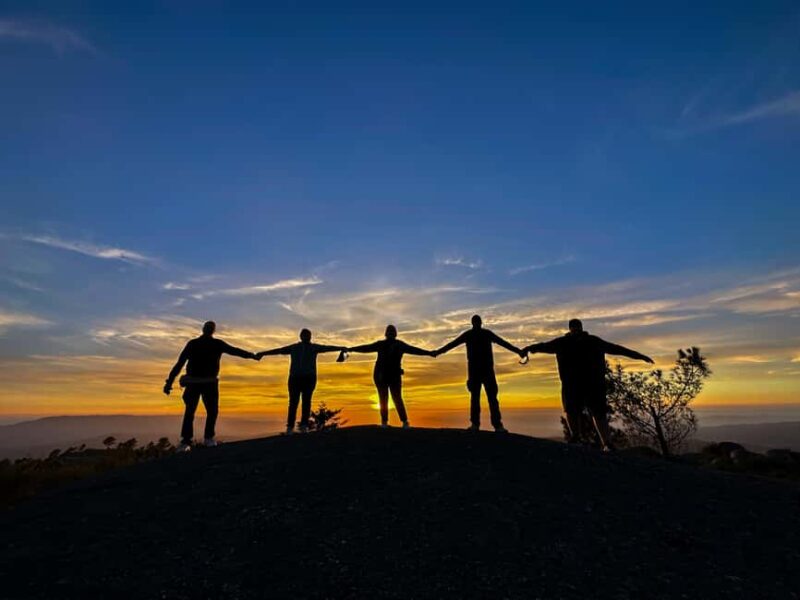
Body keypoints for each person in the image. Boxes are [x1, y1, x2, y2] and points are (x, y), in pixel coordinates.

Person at [523, 318, 654, 451]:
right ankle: (578, 438)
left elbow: (616, 349)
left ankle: (605, 443)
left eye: (577, 327)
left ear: (580, 328)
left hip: (591, 384)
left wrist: (639, 356)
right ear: (571, 328)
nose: (576, 329)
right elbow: (543, 346)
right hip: (575, 384)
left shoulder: (589, 341)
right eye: (574, 327)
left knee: (596, 412)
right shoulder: (564, 342)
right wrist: (529, 349)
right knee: (573, 411)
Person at [164, 321, 259, 451]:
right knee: (207, 411)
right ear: (211, 331)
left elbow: (179, 364)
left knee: (197, 411)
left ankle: (190, 440)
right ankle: (202, 439)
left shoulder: (195, 344)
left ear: (204, 329)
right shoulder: (214, 344)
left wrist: (169, 382)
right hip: (204, 383)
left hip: (199, 383)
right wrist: (252, 355)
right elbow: (235, 351)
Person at [433, 315, 525, 433]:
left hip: (482, 371)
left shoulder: (476, 334)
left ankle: (490, 425)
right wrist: (438, 352)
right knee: (482, 398)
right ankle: (485, 425)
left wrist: (438, 352)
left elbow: (503, 343)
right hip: (480, 372)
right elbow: (452, 344)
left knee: (487, 398)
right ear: (478, 323)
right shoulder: (481, 334)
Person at [256, 329, 347, 435]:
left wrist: (340, 347)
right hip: (295, 378)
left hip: (308, 378)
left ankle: (303, 426)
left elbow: (327, 348)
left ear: (310, 337)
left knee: (305, 402)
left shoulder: (313, 347)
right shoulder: (294, 347)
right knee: (293, 403)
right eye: (304, 335)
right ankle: (290, 427)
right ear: (301, 336)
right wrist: (263, 353)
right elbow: (279, 350)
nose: (306, 337)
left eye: (307, 335)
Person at [347, 325, 435, 428]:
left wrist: (429, 353)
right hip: (383, 375)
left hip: (388, 375)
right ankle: (396, 422)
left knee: (390, 398)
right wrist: (429, 353)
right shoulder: (394, 345)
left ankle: (393, 422)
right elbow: (366, 348)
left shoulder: (392, 345)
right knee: (390, 398)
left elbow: (366, 348)